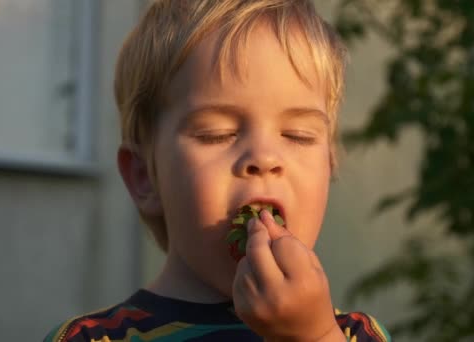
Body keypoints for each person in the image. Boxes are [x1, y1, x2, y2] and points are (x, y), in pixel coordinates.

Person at [44, 0, 390, 341]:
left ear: (329, 165)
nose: (264, 158)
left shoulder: (353, 335)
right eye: (217, 134)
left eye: (297, 136)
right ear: (145, 177)